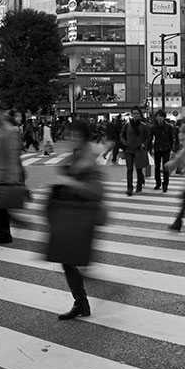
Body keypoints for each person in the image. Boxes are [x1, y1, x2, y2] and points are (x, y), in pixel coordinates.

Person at [51, 121, 105, 320]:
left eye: (74, 135)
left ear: (83, 137)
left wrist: (70, 182)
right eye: (69, 135)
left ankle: (85, 300)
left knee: (71, 260)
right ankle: (81, 303)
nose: (70, 139)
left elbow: (96, 191)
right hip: (73, 214)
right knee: (69, 260)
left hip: (83, 215)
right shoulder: (77, 156)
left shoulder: (88, 159)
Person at [0, 102, 24, 244]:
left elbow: (12, 157)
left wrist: (11, 177)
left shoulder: (10, 131)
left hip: (5, 175)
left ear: (3, 113)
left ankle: (5, 233)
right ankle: (4, 232)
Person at [120, 106, 151, 196]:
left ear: (140, 115)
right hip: (129, 150)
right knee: (129, 169)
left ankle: (139, 184)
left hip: (139, 150)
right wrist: (125, 143)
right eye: (133, 113)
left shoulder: (144, 126)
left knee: (139, 169)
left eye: (137, 113)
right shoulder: (127, 125)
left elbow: (148, 137)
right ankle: (129, 188)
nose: (135, 115)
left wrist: (143, 144)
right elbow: (122, 135)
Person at [150, 109, 175, 193]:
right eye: (158, 116)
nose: (160, 118)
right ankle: (158, 182)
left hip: (166, 148)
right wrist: (150, 148)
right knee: (157, 166)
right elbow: (150, 138)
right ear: (156, 117)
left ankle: (165, 184)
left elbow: (171, 138)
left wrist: (171, 148)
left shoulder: (168, 127)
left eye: (161, 116)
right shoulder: (153, 127)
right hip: (157, 148)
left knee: (165, 166)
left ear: (164, 118)